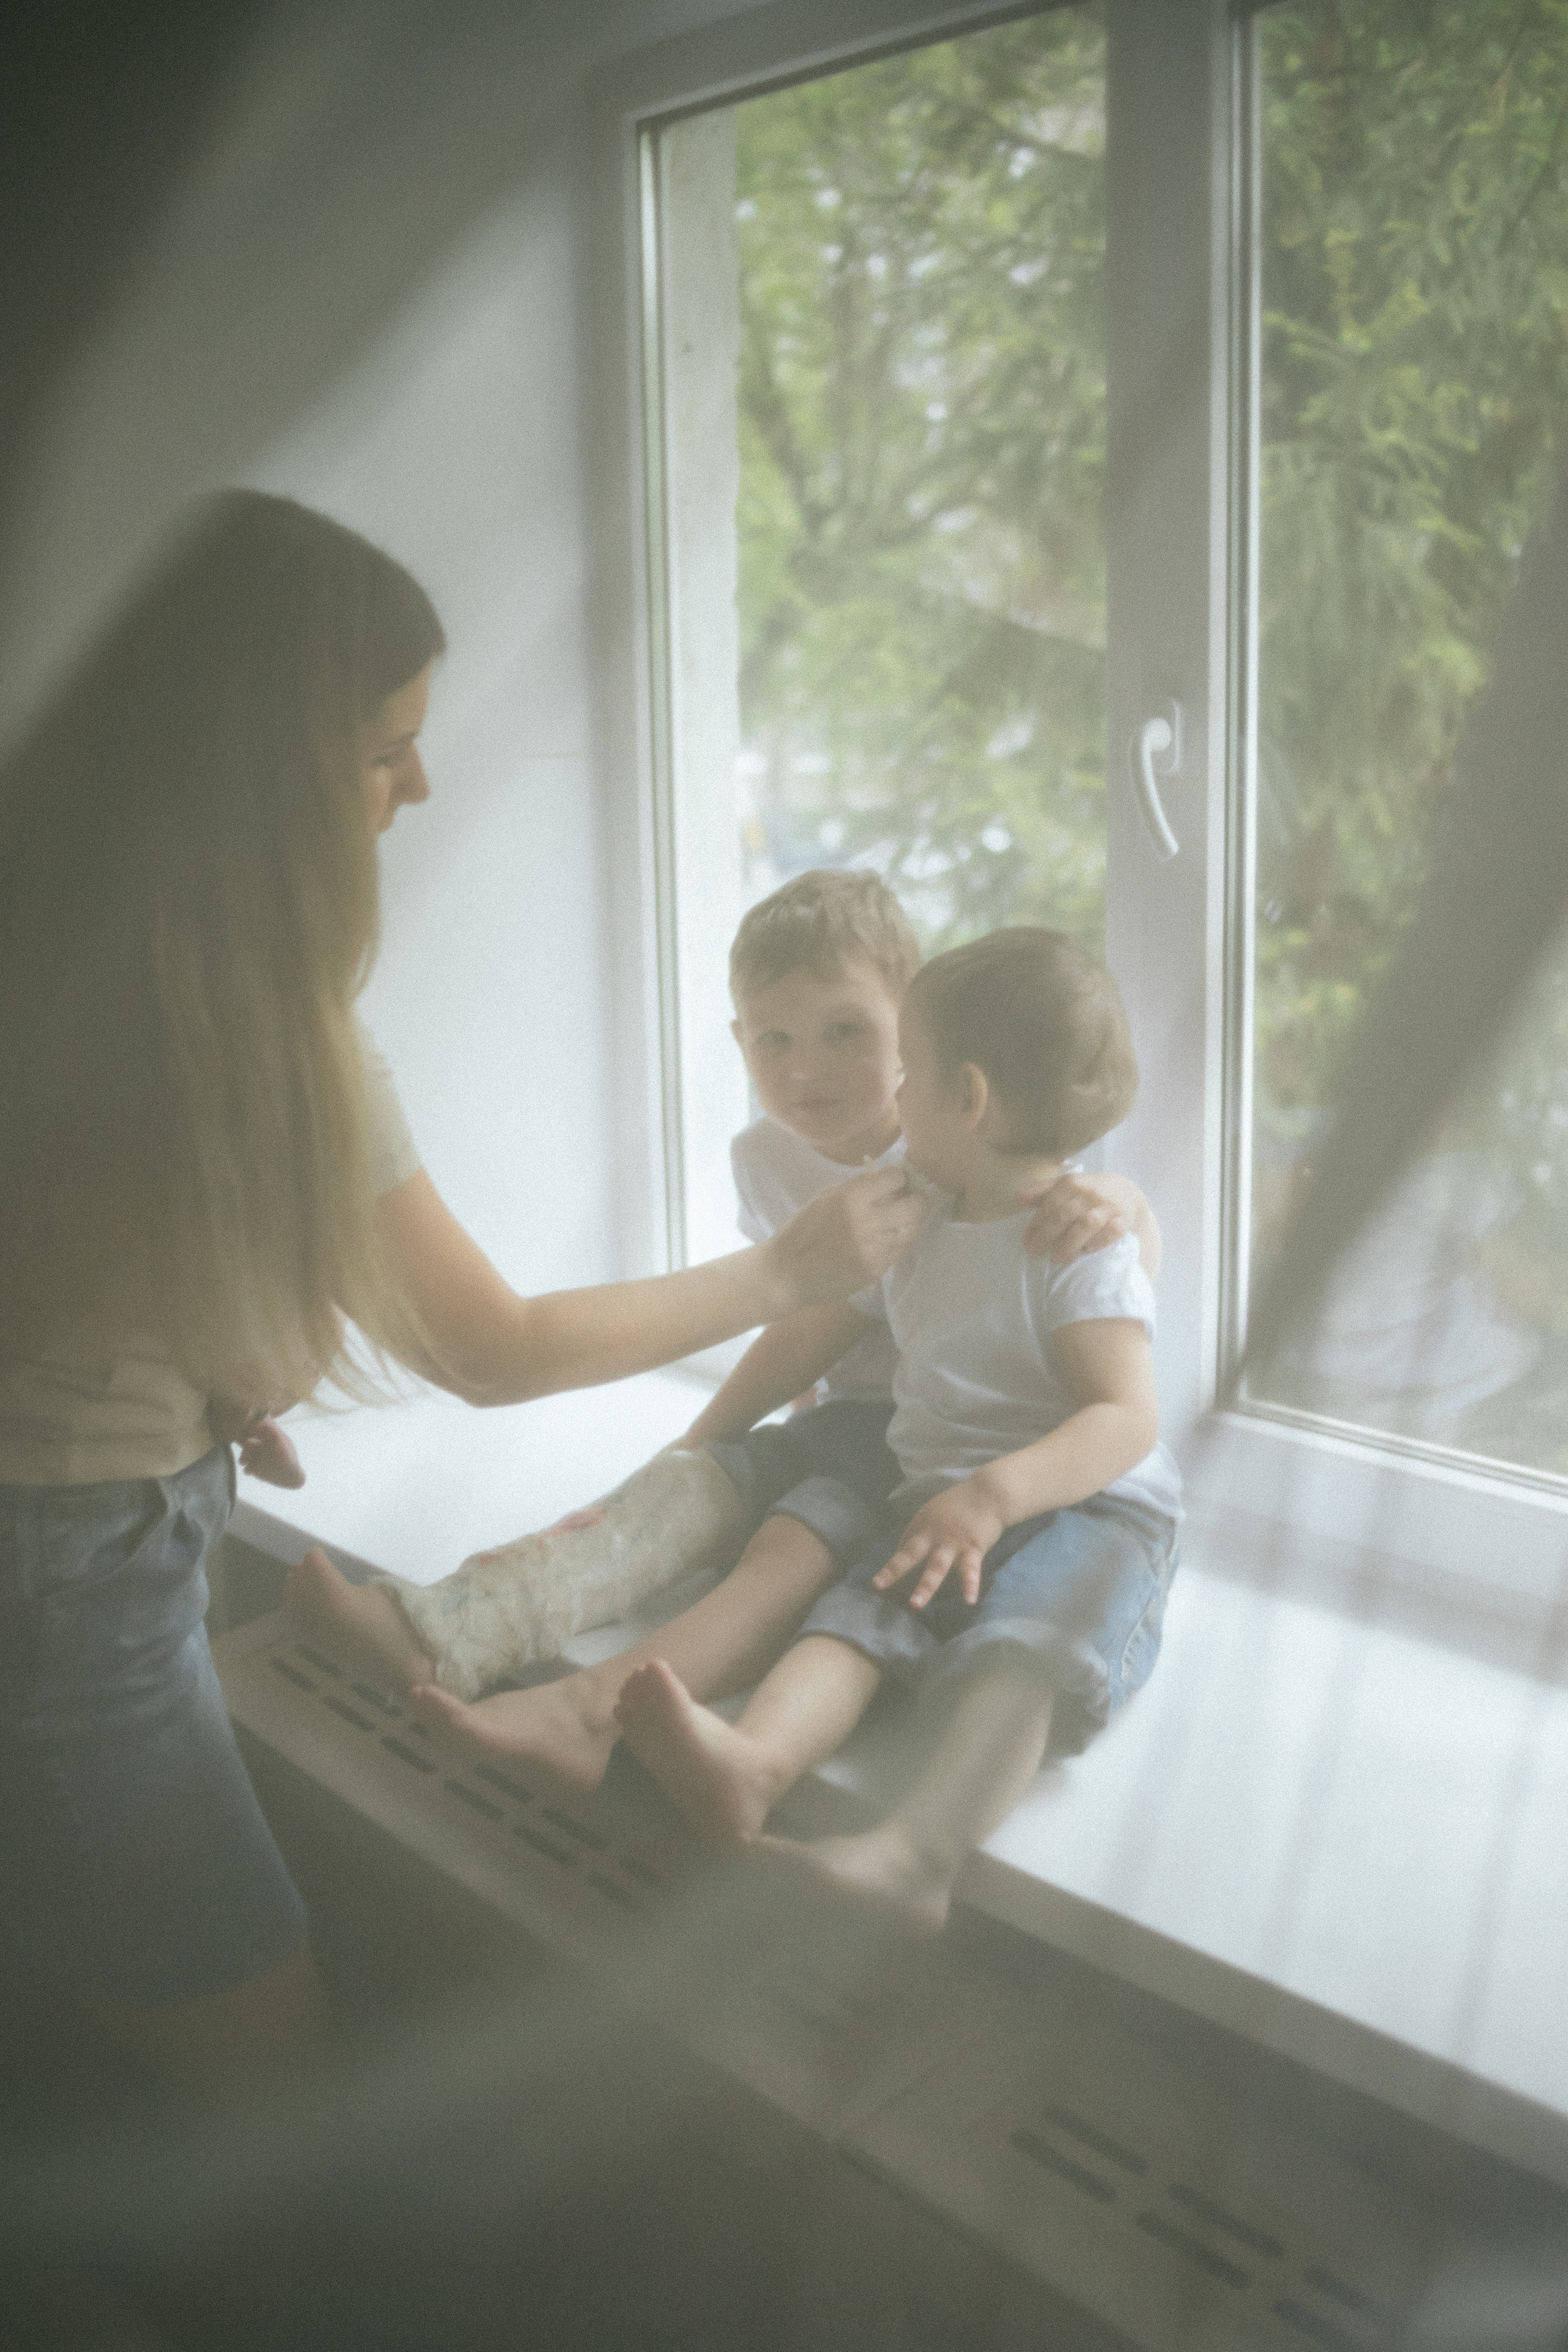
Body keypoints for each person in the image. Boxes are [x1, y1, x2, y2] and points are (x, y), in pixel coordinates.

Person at [0, 492, 923, 2102]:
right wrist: (788, 1267)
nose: (418, 782)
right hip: (68, 1564)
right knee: (253, 2050)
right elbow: (487, 1352)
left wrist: (168, 1365)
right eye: (382, 751)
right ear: (262, 778)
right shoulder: (267, 1026)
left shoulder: (58, 923)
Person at [288, 873, 1160, 1791]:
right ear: (740, 1041)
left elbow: (1102, 1272)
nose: (804, 1069)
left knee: (784, 1560)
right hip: (847, 1427)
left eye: (847, 1033)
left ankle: (609, 1712)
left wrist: (1126, 1201)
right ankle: (434, 1631)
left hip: (924, 1449)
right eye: (773, 1039)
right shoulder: (766, 1157)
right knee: (674, 1498)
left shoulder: (962, 1154)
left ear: (917, 1039)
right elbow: (802, 1327)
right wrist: (702, 1444)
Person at [611, 927, 1183, 1936]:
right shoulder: (920, 1217)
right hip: (946, 1494)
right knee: (863, 1613)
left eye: (909, 1074)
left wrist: (997, 1496)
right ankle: (754, 1765)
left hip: (1087, 1510)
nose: (896, 1097)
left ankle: (917, 1858)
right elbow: (811, 1332)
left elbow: (1127, 1417)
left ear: (966, 1099)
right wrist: (702, 1439)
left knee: (1026, 1642)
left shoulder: (1077, 1240)